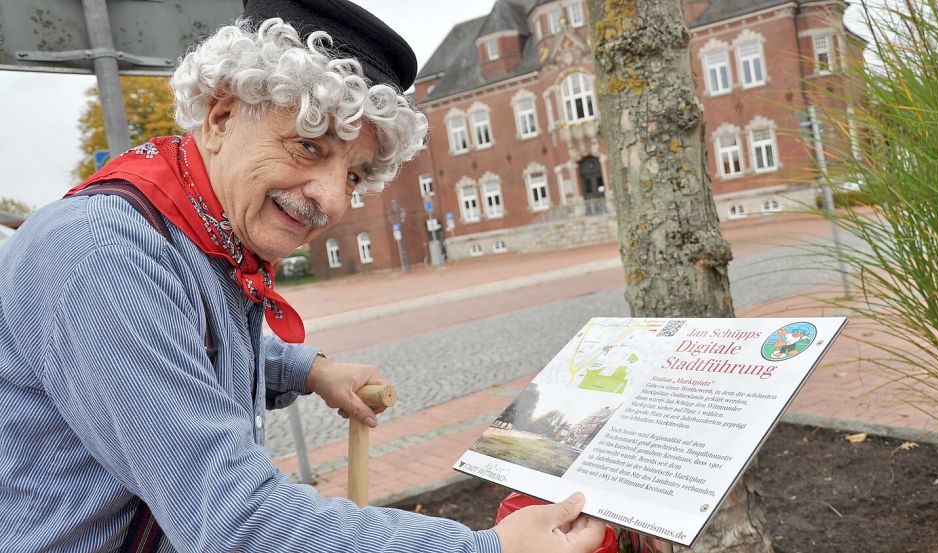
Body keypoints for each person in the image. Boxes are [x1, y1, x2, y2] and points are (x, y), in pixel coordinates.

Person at [0, 1, 605, 551]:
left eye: (353, 174)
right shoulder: (100, 251)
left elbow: (182, 343)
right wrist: (491, 550)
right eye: (311, 147)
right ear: (220, 117)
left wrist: (309, 369)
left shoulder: (194, 228)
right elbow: (237, 523)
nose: (334, 201)